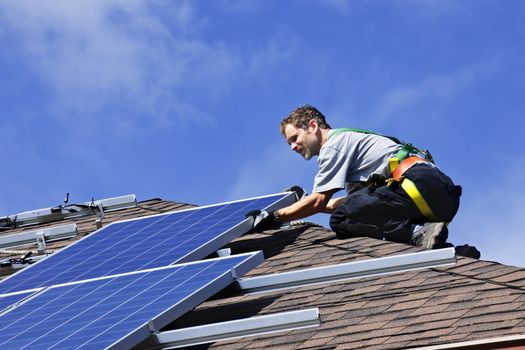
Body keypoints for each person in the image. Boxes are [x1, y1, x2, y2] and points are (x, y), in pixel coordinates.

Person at [247, 105, 476, 254]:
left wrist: (275, 216)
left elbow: (321, 202)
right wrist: (302, 204)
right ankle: (449, 252)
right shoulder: (353, 148)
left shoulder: (334, 146)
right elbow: (352, 203)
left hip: (418, 186)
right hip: (440, 196)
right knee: (353, 210)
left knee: (340, 221)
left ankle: (417, 234)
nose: (293, 147)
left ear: (313, 126)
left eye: (295, 138)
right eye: (289, 144)